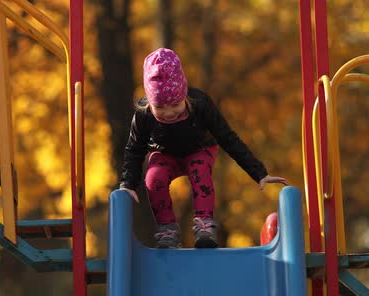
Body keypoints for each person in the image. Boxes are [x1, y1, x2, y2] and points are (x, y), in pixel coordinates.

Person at [118, 48, 288, 249]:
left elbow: (228, 137)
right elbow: (134, 149)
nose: (169, 112)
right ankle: (167, 229)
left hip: (199, 149)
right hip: (164, 154)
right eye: (160, 108)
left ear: (183, 94)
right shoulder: (143, 115)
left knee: (199, 170)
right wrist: (128, 183)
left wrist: (259, 173)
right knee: (153, 178)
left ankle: (204, 224)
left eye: (175, 105)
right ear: (150, 103)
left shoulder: (200, 104)